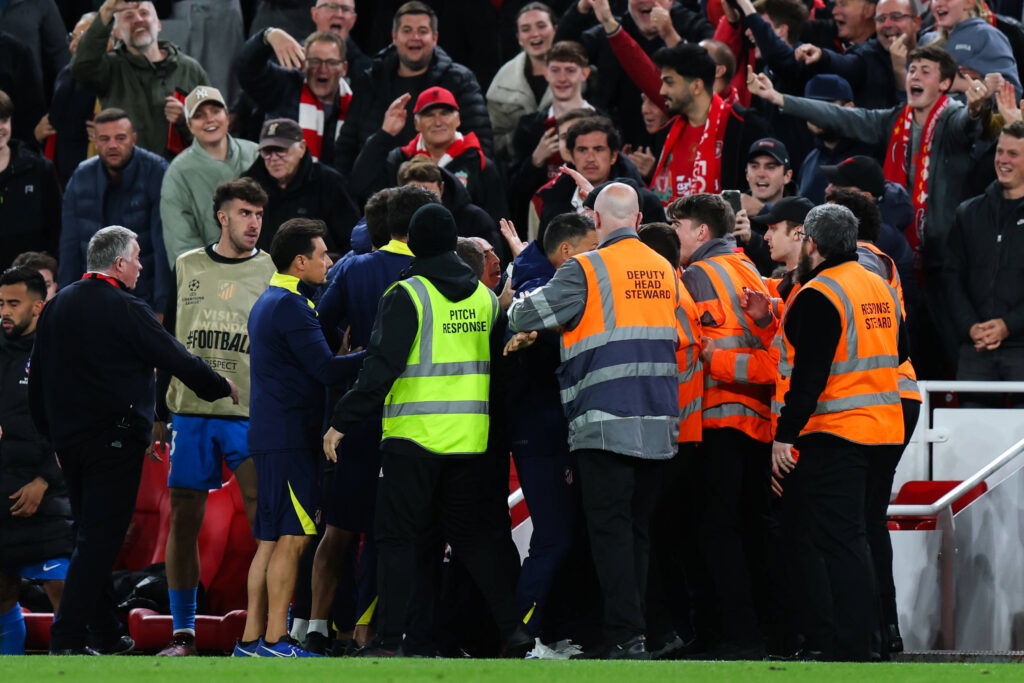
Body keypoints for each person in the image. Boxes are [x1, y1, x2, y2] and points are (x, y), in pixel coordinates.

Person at [323, 204, 531, 658]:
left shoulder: (408, 293)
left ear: (413, 243)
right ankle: (512, 631)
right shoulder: (482, 297)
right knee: (476, 541)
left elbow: (380, 368)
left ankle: (391, 640)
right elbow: (499, 364)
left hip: (413, 438)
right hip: (471, 440)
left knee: (399, 540)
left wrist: (342, 420)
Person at [506, 183, 698, 659]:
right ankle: (641, 633)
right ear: (637, 221)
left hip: (602, 419)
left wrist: (515, 297)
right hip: (658, 420)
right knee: (637, 532)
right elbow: (687, 336)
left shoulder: (586, 267)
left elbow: (526, 312)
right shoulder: (666, 269)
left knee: (609, 533)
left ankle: (624, 636)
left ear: (594, 221)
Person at [29, 226, 237, 655]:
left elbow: (37, 381)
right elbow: (174, 356)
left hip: (69, 443)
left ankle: (106, 634)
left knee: (90, 538)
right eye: (138, 258)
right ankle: (65, 639)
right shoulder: (126, 307)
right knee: (99, 541)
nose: (142, 266)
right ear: (119, 263)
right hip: (114, 442)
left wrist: (52, 436)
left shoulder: (57, 305)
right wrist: (219, 385)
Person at [747, 44, 994, 376]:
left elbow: (970, 120)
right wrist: (780, 99)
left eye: (925, 70)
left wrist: (979, 107)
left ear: (946, 84)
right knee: (915, 344)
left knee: (949, 346)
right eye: (912, 69)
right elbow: (843, 117)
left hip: (946, 256)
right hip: (911, 249)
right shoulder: (895, 119)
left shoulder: (951, 118)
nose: (914, 75)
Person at [771, 203, 906, 661]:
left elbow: (809, 377)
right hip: (886, 429)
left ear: (813, 243)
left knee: (839, 541)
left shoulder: (819, 293)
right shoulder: (879, 287)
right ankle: (871, 641)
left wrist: (784, 436)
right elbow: (902, 348)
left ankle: (852, 646)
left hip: (837, 432)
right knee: (860, 537)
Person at [304, 186, 431, 655]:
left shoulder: (353, 268)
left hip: (354, 414)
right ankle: (368, 632)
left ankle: (318, 626)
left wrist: (341, 355)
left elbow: (315, 320)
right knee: (391, 532)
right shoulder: (430, 271)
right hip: (412, 416)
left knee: (338, 527)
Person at [153, 178, 276, 657]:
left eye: (259, 215)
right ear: (222, 216)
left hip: (247, 412)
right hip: (189, 411)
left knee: (263, 516)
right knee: (183, 518)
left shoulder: (271, 269)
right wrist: (159, 411)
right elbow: (165, 343)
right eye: (245, 213)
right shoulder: (187, 266)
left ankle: (268, 631)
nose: (254, 223)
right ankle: (183, 632)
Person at [238, 218, 364, 658]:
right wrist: (379, 351)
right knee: (293, 539)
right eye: (323, 254)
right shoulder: (291, 305)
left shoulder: (268, 301)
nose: (329, 261)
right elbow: (326, 369)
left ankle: (251, 641)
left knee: (270, 541)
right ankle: (275, 640)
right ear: (299, 261)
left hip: (271, 435)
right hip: (291, 437)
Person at [670, 192, 776, 659]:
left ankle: (729, 637)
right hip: (756, 421)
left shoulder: (697, 275)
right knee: (749, 530)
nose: (674, 237)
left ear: (701, 233)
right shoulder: (749, 268)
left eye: (679, 228)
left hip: (715, 419)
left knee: (714, 532)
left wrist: (715, 360)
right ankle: (756, 632)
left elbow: (694, 348)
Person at [504, 212, 597, 655]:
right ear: (566, 252)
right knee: (553, 535)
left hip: (548, 432)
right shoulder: (539, 297)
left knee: (563, 535)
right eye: (589, 250)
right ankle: (525, 635)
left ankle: (548, 631)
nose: (596, 260)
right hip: (539, 436)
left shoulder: (542, 285)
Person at [0, 267, 73, 655]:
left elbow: (78, 428)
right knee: (2, 592)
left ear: (39, 306)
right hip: (2, 492)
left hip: (48, 494)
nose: (4, 312)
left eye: (14, 304)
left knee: (62, 587)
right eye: (0, 303)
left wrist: (44, 481)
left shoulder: (61, 353)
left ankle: (70, 670)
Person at [334, 1, 492, 176]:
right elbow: (346, 146)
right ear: (394, 37)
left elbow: (479, 144)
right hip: (377, 191)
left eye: (422, 31)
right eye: (407, 30)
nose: (414, 37)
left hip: (442, 189)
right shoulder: (370, 81)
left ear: (435, 38)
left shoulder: (459, 80)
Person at [554, 0, 713, 147]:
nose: (647, 1)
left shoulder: (694, 26)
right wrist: (581, 9)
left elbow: (712, 72)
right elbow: (560, 55)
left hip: (682, 141)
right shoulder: (606, 31)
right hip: (616, 145)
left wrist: (670, 35)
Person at [59, 108, 171, 315]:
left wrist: (161, 306)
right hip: (92, 295)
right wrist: (64, 303)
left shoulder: (157, 170)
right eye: (104, 138)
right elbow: (69, 246)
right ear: (95, 140)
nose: (112, 145)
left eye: (120, 138)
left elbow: (162, 247)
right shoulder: (81, 176)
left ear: (133, 139)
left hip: (142, 296)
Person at [69, 0, 209, 158]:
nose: (138, 20)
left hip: (180, 175)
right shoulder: (109, 67)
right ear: (117, 33)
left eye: (144, 13)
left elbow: (213, 129)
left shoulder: (190, 69)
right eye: (128, 16)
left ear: (159, 24)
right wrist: (107, 11)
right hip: (127, 175)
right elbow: (81, 67)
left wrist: (185, 121)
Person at [945, 120, 1024, 389]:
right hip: (975, 349)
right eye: (1000, 152)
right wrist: (970, 326)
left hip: (1021, 348)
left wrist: (1008, 325)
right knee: (971, 429)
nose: (1003, 160)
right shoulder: (968, 213)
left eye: (1013, 154)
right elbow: (951, 277)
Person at [350, 86, 507, 219]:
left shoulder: (479, 164)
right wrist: (384, 134)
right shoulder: (399, 160)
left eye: (445, 113)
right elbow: (359, 185)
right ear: (416, 124)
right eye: (429, 115)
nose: (438, 122)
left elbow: (496, 220)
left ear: (458, 119)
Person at [650, 43, 770, 205]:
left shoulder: (743, 124)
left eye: (669, 82)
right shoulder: (666, 133)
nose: (662, 91)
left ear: (696, 86)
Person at [160, 86, 260, 267]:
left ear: (227, 117)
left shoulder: (256, 154)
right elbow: (181, 244)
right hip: (213, 279)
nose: (209, 120)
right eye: (199, 115)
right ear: (189, 125)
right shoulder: (178, 173)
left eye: (215, 111)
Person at [244, 118, 360, 255]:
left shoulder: (329, 183)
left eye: (281, 150)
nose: (274, 158)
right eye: (267, 152)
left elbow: (351, 240)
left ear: (302, 147)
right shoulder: (249, 188)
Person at [237, 29, 352, 167]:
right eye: (315, 61)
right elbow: (247, 70)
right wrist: (267, 36)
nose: (323, 69)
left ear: (344, 68)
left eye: (332, 62)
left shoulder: (355, 105)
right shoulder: (284, 87)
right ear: (304, 64)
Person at [793, 0, 921, 109]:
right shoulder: (867, 55)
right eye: (881, 19)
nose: (887, 24)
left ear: (916, 23)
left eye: (896, 17)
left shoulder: (933, 51)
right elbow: (845, 64)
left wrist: (901, 70)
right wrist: (821, 56)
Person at [487, 3, 558, 159]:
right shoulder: (502, 83)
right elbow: (494, 141)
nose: (535, 34)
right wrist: (521, 138)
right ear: (519, 38)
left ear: (555, 29)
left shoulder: (577, 71)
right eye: (526, 29)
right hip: (521, 170)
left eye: (541, 26)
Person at [0, 90, 61, 270]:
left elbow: (56, 228)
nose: (0, 128)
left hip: (29, 282)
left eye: (4, 120)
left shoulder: (40, 168)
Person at [397, 157, 502, 249]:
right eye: (415, 195)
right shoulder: (394, 222)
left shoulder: (475, 219)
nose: (421, 202)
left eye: (428, 194)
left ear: (441, 188)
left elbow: (493, 265)